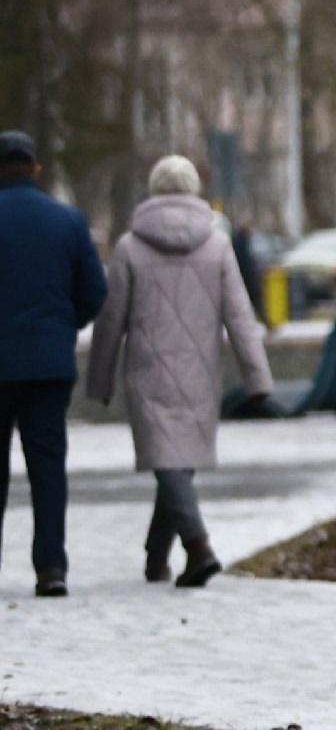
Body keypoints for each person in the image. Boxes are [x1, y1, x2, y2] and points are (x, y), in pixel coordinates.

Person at [85, 154, 274, 588]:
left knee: (169, 464)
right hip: (199, 373)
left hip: (147, 373)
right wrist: (257, 378)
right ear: (193, 191)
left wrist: (99, 380)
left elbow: (111, 319)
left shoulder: (131, 247)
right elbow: (240, 315)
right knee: (175, 465)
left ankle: (198, 546)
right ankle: (156, 558)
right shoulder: (218, 245)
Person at [0, 130, 108, 597]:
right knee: (47, 466)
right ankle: (51, 568)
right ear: (36, 168)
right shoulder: (67, 221)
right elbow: (94, 294)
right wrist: (61, 328)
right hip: (48, 364)